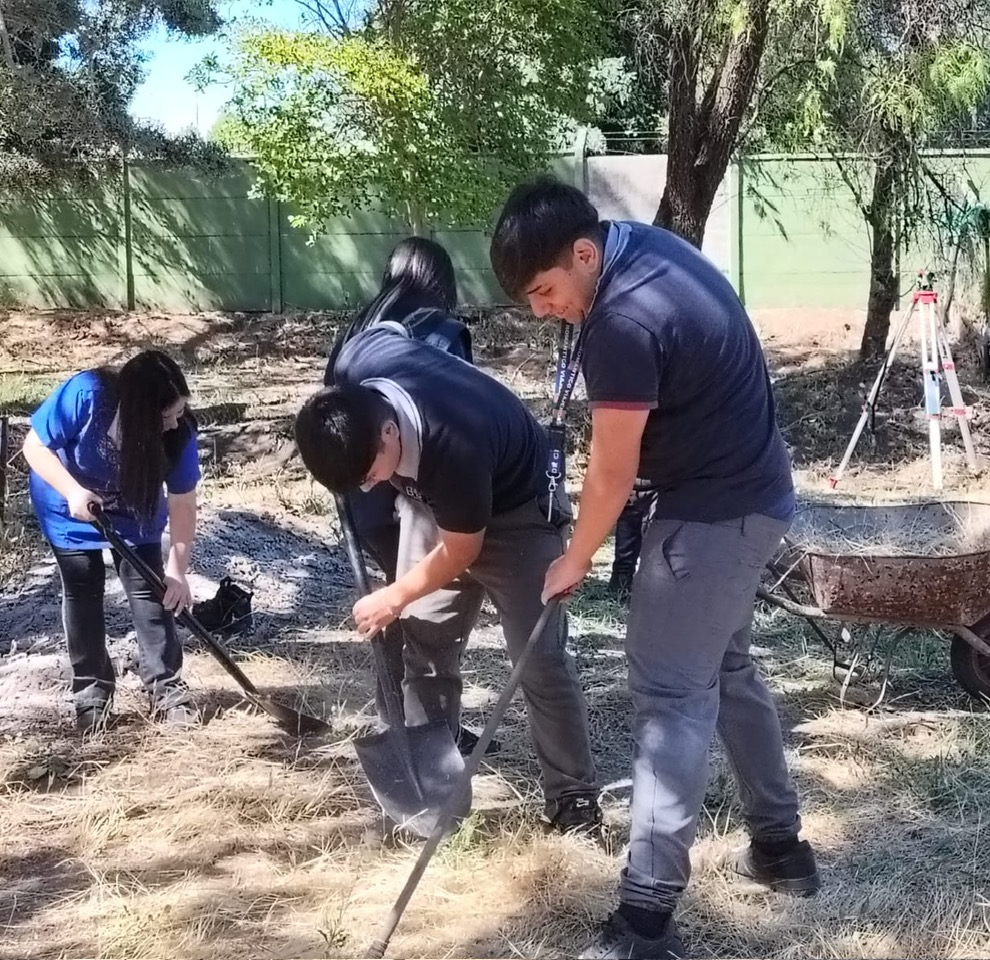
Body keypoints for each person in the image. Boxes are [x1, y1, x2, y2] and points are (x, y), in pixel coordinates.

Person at [490, 177, 818, 960]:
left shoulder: (622, 320)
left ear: (582, 253)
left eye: (545, 292)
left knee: (670, 695)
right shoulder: (644, 247)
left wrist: (574, 557)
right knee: (725, 667)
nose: (543, 311)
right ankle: (780, 849)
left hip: (713, 515)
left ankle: (644, 922)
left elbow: (611, 472)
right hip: (753, 493)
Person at [294, 322, 602, 834]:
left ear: (388, 432)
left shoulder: (452, 439)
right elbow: (389, 327)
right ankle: (433, 794)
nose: (368, 488)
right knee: (426, 648)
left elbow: (462, 549)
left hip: (516, 514)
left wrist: (395, 595)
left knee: (539, 659)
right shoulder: (357, 365)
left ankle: (573, 798)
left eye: (369, 475)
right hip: (432, 504)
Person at [320, 237, 494, 756]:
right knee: (422, 612)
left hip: (364, 495)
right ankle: (427, 730)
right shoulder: (438, 331)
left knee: (394, 605)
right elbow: (455, 410)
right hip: (415, 492)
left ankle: (403, 720)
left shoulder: (359, 329)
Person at [23, 349, 201, 733]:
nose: (175, 423)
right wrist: (73, 492)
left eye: (179, 411)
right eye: (166, 416)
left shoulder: (179, 434)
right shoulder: (86, 394)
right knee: (83, 587)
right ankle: (91, 696)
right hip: (68, 502)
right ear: (139, 413)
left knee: (150, 591)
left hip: (134, 506)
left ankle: (167, 688)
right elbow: (34, 447)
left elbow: (183, 503)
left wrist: (177, 570)